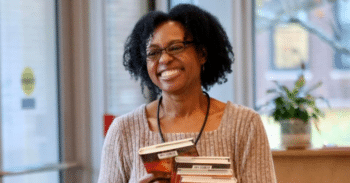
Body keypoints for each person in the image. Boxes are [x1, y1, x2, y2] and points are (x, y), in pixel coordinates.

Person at [98, 4, 277, 183]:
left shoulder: (244, 125)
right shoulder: (123, 131)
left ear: (202, 53)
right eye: (153, 52)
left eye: (175, 47)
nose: (164, 59)